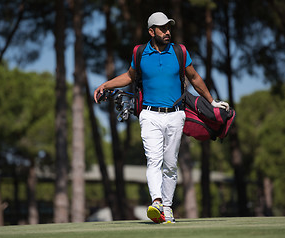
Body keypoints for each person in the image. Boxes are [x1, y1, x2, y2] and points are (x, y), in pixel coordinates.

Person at [94, 12, 229, 224]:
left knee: (170, 165)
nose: (167, 32)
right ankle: (156, 202)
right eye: (162, 28)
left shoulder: (179, 51)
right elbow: (129, 76)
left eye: (169, 27)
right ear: (151, 31)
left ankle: (166, 208)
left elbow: (194, 77)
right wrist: (105, 84)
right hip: (149, 115)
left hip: (176, 115)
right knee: (153, 160)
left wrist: (212, 102)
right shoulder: (139, 52)